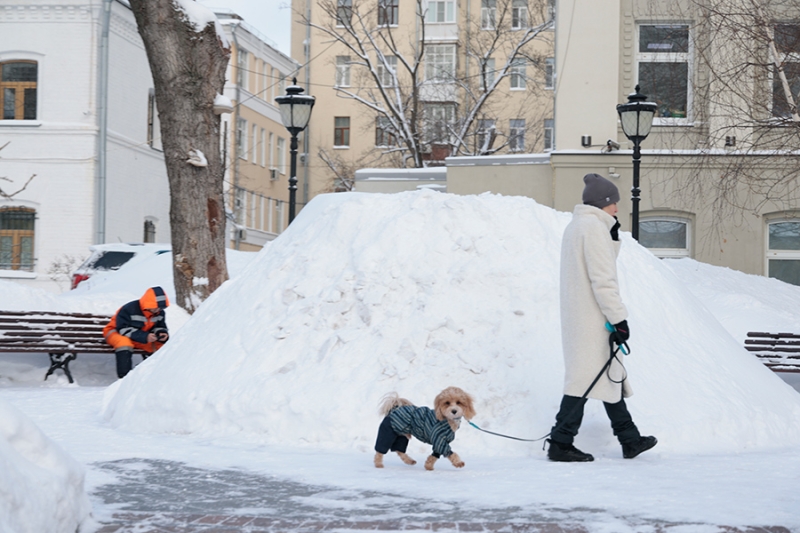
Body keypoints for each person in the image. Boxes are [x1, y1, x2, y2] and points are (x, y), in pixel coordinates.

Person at [546, 173, 657, 462]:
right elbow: (603, 280)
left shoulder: (578, 226)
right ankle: (560, 441)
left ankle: (629, 439)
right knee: (584, 381)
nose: (617, 209)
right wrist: (619, 319)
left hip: (581, 317)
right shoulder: (593, 229)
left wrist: (613, 237)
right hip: (593, 319)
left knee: (609, 375)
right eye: (614, 204)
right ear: (603, 204)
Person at [103, 286, 170, 378]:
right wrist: (145, 337)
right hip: (115, 332)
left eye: (160, 308)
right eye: (155, 307)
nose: (157, 310)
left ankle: (158, 375)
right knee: (124, 343)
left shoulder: (160, 312)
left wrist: (161, 333)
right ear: (148, 303)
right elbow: (122, 329)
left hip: (137, 336)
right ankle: (124, 377)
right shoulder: (129, 309)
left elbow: (160, 326)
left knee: (162, 347)